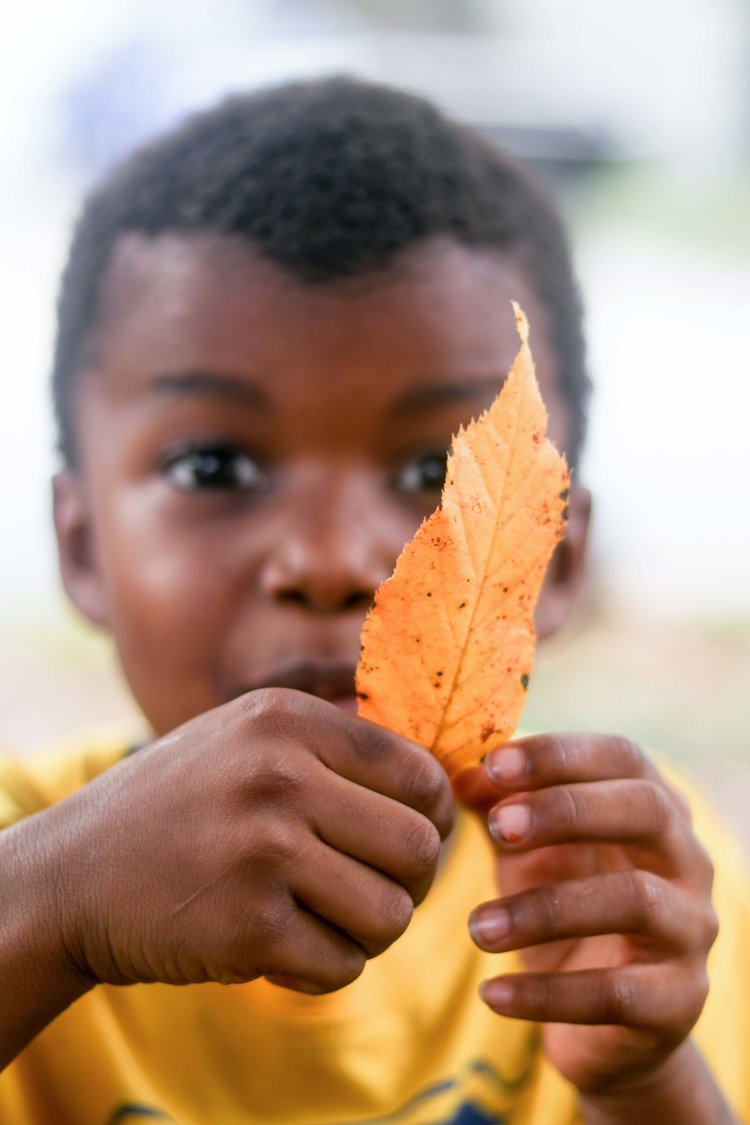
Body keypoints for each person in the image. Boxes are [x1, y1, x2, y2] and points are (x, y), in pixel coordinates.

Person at [1, 76, 748, 1125]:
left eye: (438, 477)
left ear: (559, 562)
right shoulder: (21, 856)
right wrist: (52, 913)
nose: (327, 559)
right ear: (80, 549)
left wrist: (643, 1080)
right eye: (214, 467)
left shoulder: (617, 879)